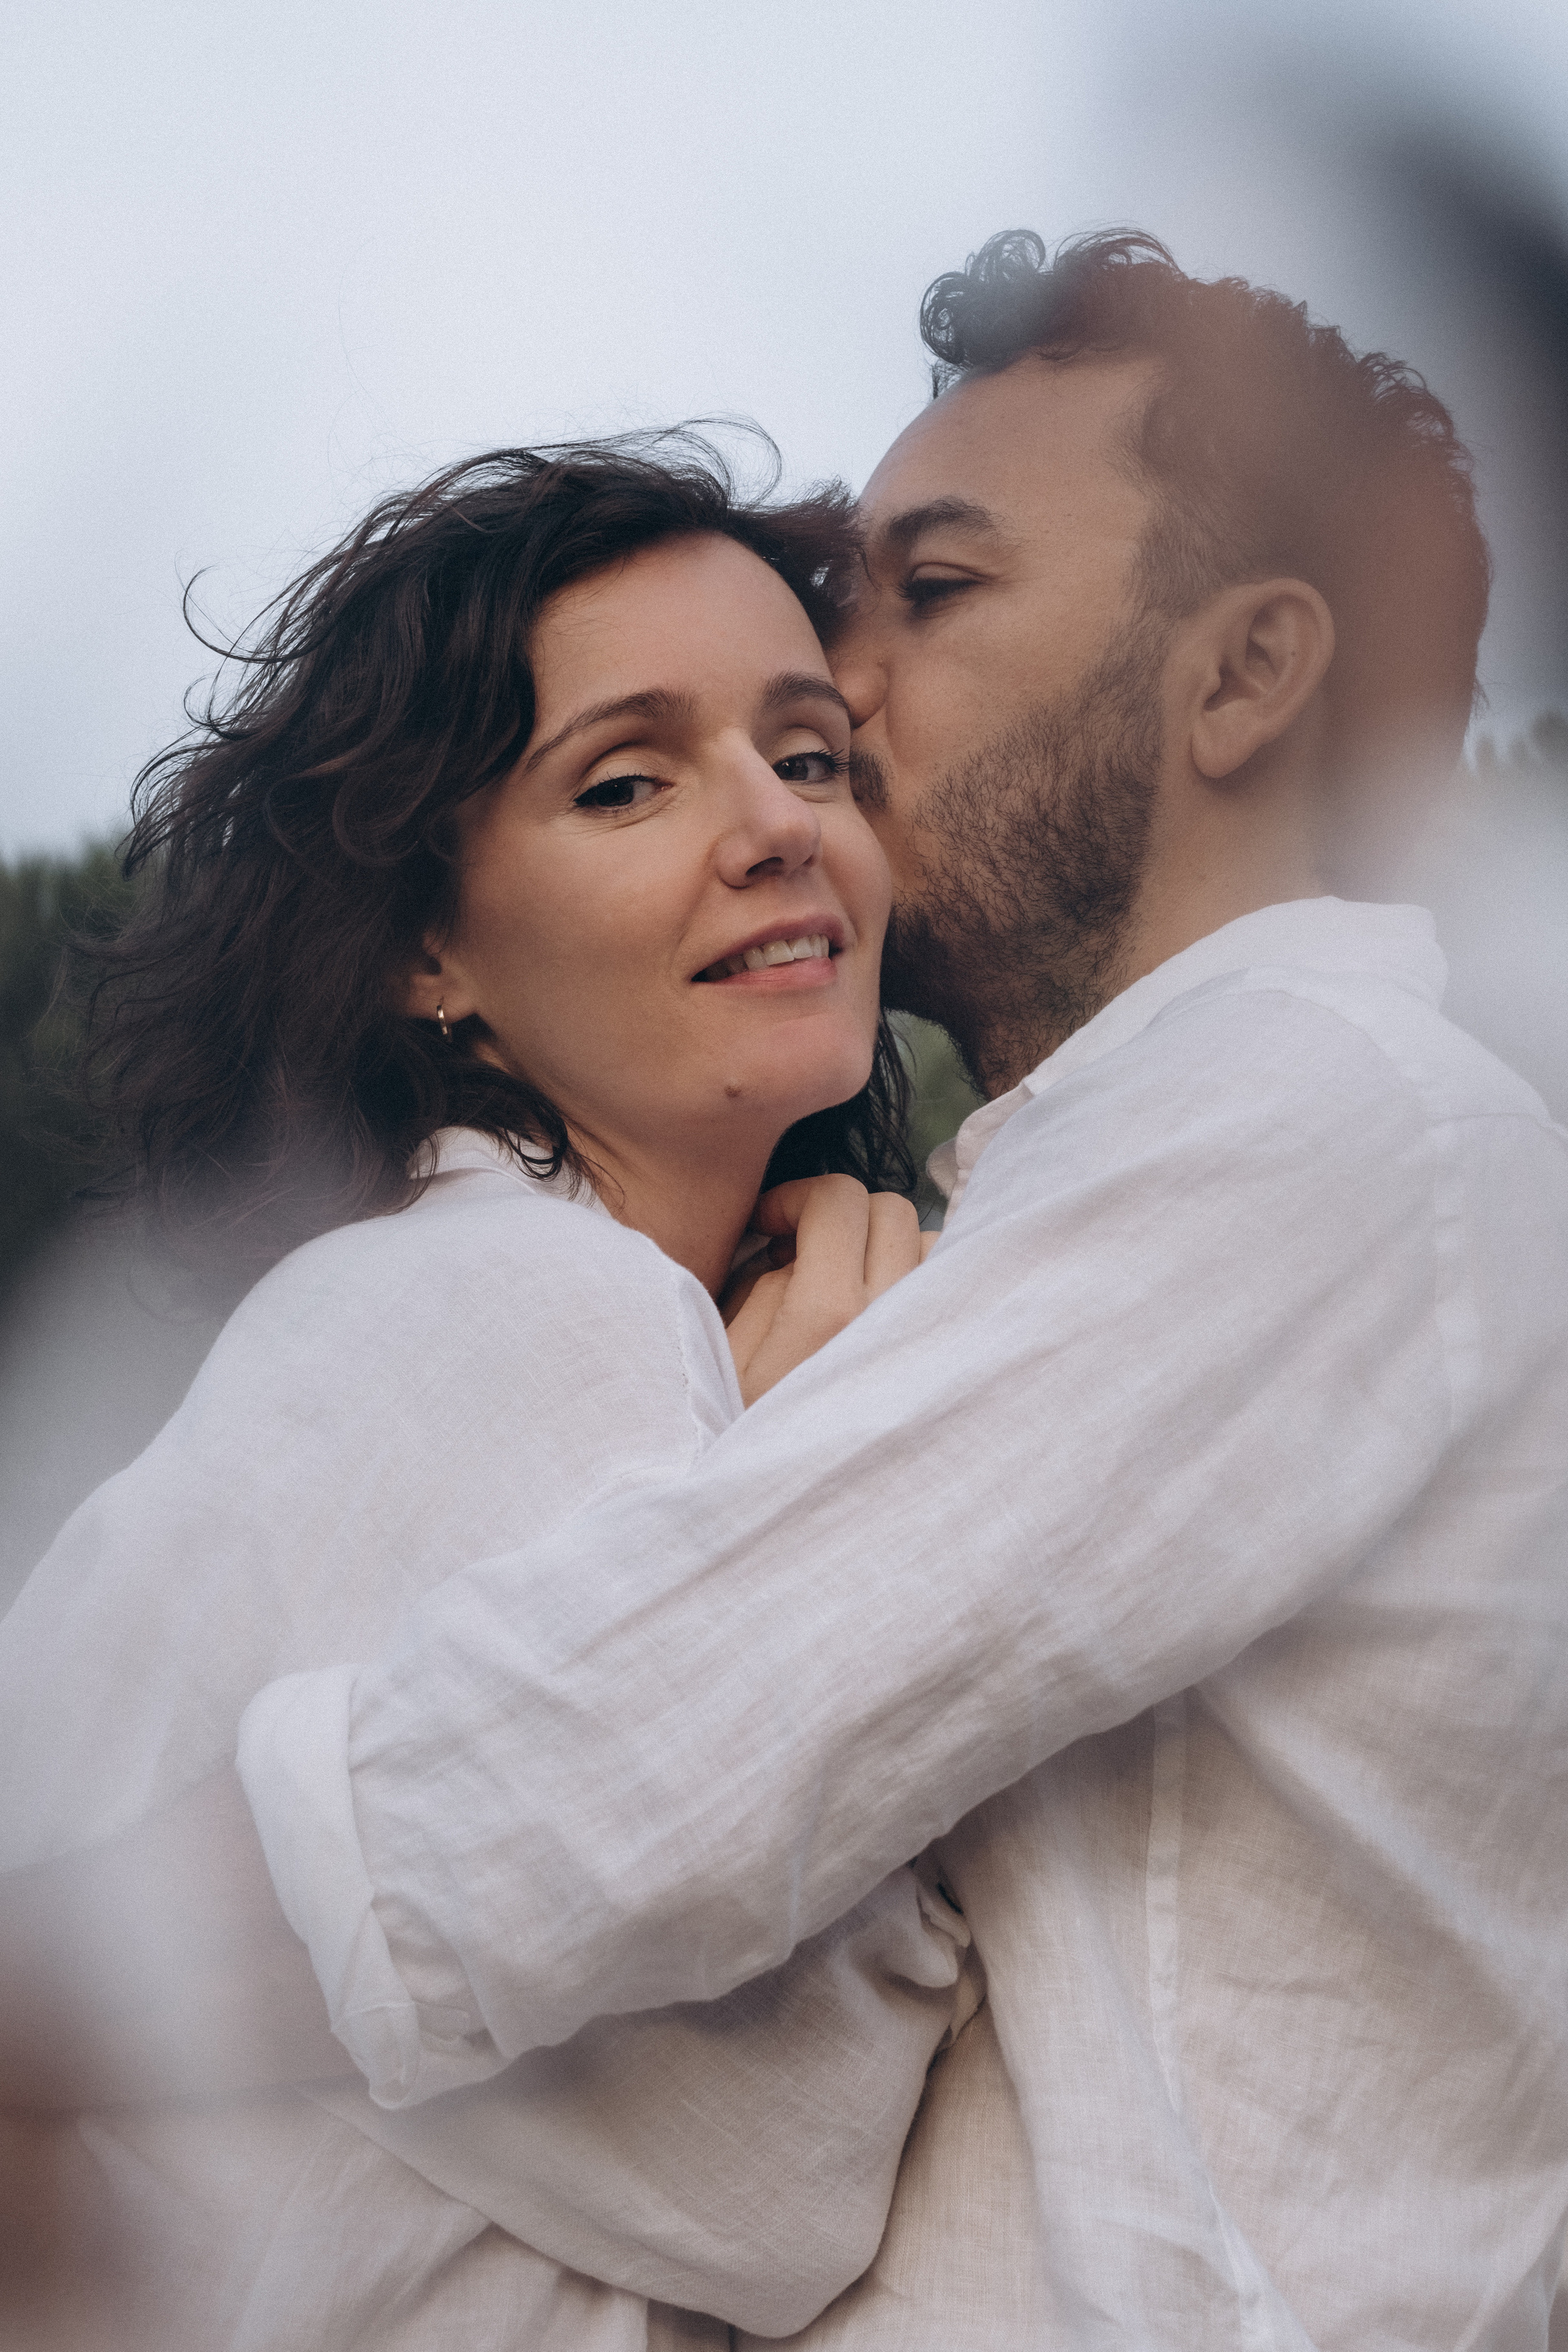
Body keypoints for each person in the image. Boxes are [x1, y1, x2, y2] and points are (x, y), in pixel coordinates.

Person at [9, 229, 1568, 2346]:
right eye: (636, 775)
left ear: (1243, 675)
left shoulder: (1318, 1112)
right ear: (432, 951)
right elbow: (729, 2013)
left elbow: (610, 1784)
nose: (849, 707)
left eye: (930, 598)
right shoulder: (661, 1286)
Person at [0, 440, 979, 2351]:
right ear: (425, 950)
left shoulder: (461, 1298)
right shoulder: (520, 1309)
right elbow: (780, 2153)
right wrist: (815, 1487)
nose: (776, 825)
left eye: (810, 756)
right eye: (626, 779)